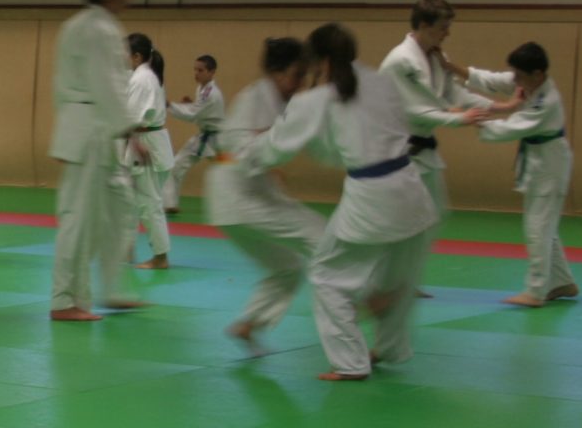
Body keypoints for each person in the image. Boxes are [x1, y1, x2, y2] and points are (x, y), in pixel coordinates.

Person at [240, 24, 437, 382]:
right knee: (395, 282)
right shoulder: (381, 82)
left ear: (320, 61)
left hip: (373, 199)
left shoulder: (315, 99)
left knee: (328, 276)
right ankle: (389, 347)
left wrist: (249, 151)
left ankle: (350, 363)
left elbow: (279, 146)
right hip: (412, 192)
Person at [206, 38, 327, 352]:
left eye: (303, 75)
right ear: (276, 72)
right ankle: (365, 301)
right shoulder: (256, 97)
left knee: (287, 267)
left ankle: (250, 323)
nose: (299, 82)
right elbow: (240, 148)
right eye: (296, 74)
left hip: (237, 198)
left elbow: (258, 148)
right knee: (322, 237)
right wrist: (272, 143)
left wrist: (271, 155)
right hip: (241, 197)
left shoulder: (275, 99)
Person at [49, 0, 148, 321]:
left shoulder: (77, 25)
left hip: (91, 128)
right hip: (91, 129)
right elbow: (106, 84)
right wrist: (131, 133)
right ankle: (65, 301)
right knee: (80, 219)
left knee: (116, 212)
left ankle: (112, 288)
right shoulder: (100, 29)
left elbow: (63, 85)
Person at [381, 0, 492, 291]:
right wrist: (455, 118)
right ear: (423, 25)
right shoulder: (400, 61)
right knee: (402, 219)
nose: (448, 32)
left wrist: (496, 108)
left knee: (433, 214)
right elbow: (411, 109)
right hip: (397, 149)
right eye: (443, 26)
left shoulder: (435, 57)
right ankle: (385, 279)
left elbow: (456, 96)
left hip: (423, 150)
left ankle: (403, 279)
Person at [466, 42, 577, 307]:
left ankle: (536, 291)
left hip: (550, 166)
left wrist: (474, 120)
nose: (514, 80)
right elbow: (493, 80)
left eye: (520, 75)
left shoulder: (545, 101)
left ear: (537, 74)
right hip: (541, 162)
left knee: (538, 227)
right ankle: (562, 282)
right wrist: (454, 69)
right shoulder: (528, 83)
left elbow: (512, 128)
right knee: (544, 225)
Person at [125, 35, 173, 270]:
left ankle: (161, 257)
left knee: (149, 203)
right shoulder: (143, 76)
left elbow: (134, 118)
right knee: (132, 201)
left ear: (137, 56)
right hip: (149, 140)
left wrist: (135, 143)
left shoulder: (142, 79)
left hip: (146, 144)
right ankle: (126, 249)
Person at [165, 54, 224, 214]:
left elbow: (193, 114)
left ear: (212, 72)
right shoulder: (202, 89)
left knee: (231, 172)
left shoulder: (210, 92)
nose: (196, 73)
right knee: (176, 166)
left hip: (216, 140)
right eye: (195, 69)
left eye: (201, 70)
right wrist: (190, 103)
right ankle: (170, 204)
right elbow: (199, 110)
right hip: (206, 137)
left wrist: (169, 105)